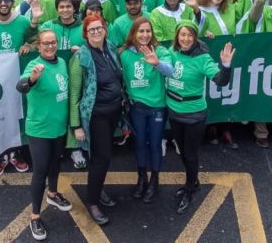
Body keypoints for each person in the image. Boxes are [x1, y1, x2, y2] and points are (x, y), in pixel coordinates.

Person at [167, 22, 234, 214]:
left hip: (194, 115)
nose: (186, 39)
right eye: (182, 35)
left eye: (190, 35)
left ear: (195, 38)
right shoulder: (170, 53)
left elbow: (221, 81)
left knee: (190, 154)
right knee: (182, 152)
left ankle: (189, 189)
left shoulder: (203, 58)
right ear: (177, 36)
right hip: (174, 111)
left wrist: (226, 65)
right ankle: (192, 180)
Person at [17, 29, 74, 241]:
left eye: (53, 42)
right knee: (40, 171)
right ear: (38, 46)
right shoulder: (35, 65)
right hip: (40, 129)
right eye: (45, 43)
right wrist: (32, 79)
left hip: (58, 127)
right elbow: (21, 87)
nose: (49, 46)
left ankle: (53, 194)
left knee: (56, 163)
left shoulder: (61, 63)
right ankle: (35, 215)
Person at [69, 15, 124, 226]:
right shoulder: (80, 57)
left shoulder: (109, 47)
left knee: (100, 158)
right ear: (85, 33)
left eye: (98, 28)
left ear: (105, 29)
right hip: (96, 115)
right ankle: (92, 202)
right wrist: (76, 126)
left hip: (113, 112)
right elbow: (75, 94)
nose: (95, 32)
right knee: (102, 158)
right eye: (91, 30)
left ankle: (97, 189)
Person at [119, 17, 174, 203]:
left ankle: (154, 180)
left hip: (157, 106)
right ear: (133, 33)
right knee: (140, 143)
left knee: (156, 142)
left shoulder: (160, 50)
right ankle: (141, 178)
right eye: (140, 31)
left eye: (148, 31)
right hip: (137, 108)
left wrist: (156, 63)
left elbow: (170, 71)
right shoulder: (124, 53)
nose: (144, 35)